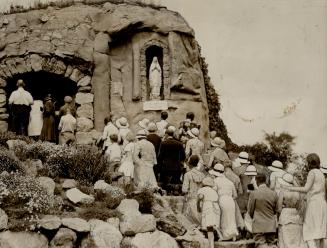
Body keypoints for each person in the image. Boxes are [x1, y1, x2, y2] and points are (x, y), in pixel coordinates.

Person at [281, 153, 327, 248]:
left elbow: (306, 189)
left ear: (309, 162)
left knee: (309, 232)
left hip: (314, 204)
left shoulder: (312, 172)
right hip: (322, 204)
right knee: (320, 233)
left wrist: (289, 188)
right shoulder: (321, 173)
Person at [247, 174, 278, 248]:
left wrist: (254, 217)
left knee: (260, 245)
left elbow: (250, 210)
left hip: (258, 225)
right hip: (271, 225)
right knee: (272, 245)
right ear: (266, 181)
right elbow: (275, 210)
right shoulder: (273, 193)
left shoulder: (254, 194)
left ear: (257, 181)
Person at [210, 163, 238, 241]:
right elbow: (235, 195)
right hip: (231, 200)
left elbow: (214, 193)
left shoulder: (215, 181)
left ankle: (224, 236)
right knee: (231, 218)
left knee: (223, 218)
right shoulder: (230, 182)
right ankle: (233, 235)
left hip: (221, 199)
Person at [277, 173, 307, 248]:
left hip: (285, 216)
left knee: (285, 241)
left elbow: (279, 207)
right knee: (297, 241)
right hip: (296, 217)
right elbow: (300, 207)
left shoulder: (283, 192)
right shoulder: (298, 193)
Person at [197, 177, 221, 248]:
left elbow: (200, 197)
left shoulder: (202, 190)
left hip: (208, 206)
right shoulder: (213, 191)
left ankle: (211, 245)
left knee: (209, 227)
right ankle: (211, 243)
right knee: (212, 226)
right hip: (215, 207)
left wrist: (198, 205)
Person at [182, 155, 205, 226]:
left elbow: (184, 189)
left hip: (191, 198)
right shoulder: (202, 175)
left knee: (188, 221)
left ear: (189, 163)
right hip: (200, 199)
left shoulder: (188, 175)